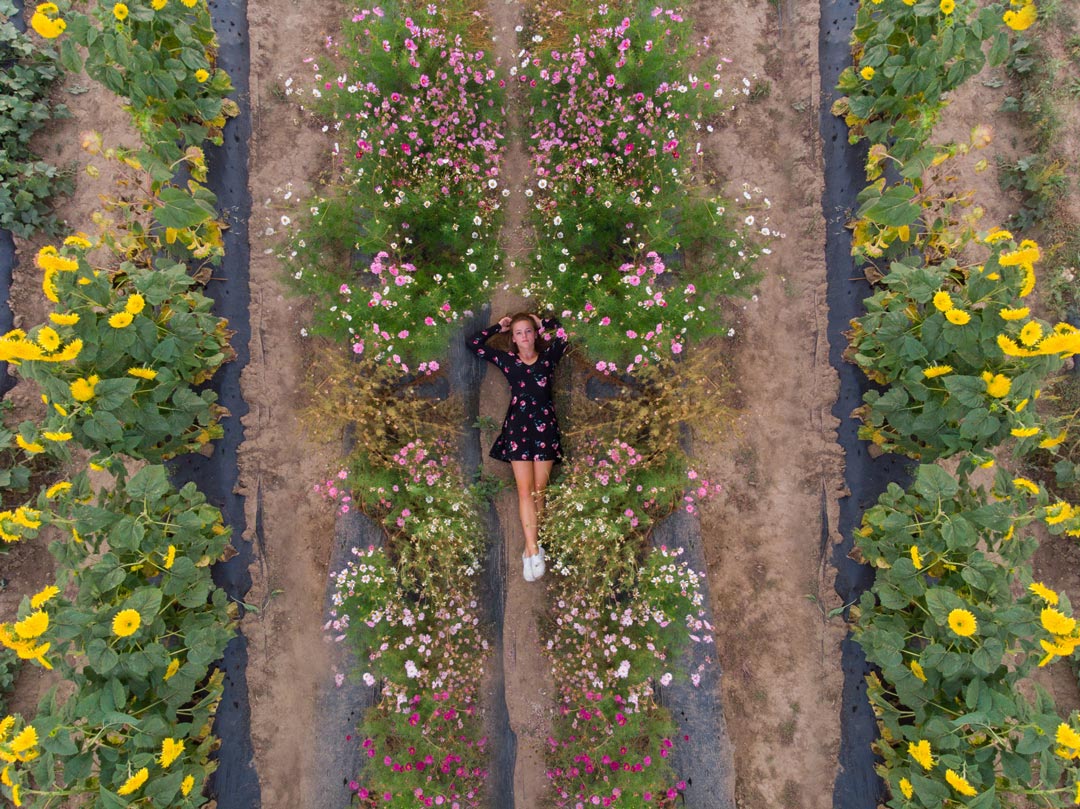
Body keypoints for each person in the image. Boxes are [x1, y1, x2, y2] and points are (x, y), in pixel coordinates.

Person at [466, 312, 566, 581]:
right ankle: (534, 548)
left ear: (535, 335)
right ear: (513, 338)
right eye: (519, 332)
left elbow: (567, 333)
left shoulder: (549, 357)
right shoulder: (508, 360)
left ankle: (530, 549)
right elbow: (474, 344)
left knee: (538, 492)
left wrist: (544, 322)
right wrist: (499, 326)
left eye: (529, 331)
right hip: (517, 429)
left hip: (545, 429)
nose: (524, 336)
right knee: (525, 491)